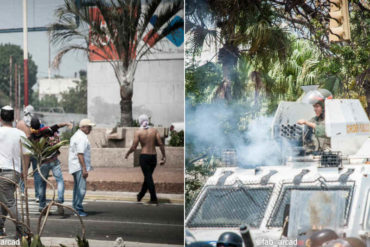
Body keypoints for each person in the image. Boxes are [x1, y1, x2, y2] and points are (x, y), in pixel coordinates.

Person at [29, 117, 72, 214]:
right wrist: (67, 123)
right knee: (59, 180)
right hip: (54, 160)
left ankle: (41, 206)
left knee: (42, 183)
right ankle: (60, 201)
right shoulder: (46, 130)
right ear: (40, 125)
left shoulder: (31, 137)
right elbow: (58, 125)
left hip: (43, 162)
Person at [0, 106, 30, 238]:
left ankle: (23, 231)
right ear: (13, 118)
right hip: (15, 172)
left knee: (9, 202)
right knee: (4, 200)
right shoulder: (20, 134)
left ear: (0, 118)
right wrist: (24, 171)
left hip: (2, 171)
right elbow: (27, 154)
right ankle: (0, 229)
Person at [125, 114, 166, 205]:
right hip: (153, 157)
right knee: (148, 177)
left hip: (144, 157)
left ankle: (153, 198)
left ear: (139, 121)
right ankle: (140, 195)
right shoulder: (154, 130)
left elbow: (134, 146)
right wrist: (164, 156)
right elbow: (160, 144)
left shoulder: (138, 132)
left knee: (148, 178)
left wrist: (128, 153)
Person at [68, 119, 95, 217]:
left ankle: (75, 207)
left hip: (75, 166)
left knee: (77, 188)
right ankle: (78, 209)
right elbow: (80, 154)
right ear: (83, 127)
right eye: (89, 127)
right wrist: (84, 169)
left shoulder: (77, 135)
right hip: (79, 167)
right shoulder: (81, 138)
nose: (90, 129)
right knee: (81, 189)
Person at [16, 105, 41, 202]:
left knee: (23, 172)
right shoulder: (37, 122)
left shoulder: (20, 124)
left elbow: (18, 138)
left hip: (24, 151)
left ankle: (22, 191)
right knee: (37, 173)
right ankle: (37, 195)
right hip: (34, 150)